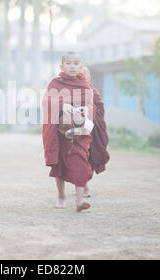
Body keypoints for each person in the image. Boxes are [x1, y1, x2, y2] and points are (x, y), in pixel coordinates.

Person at [42, 52, 95, 212]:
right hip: (59, 131)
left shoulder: (84, 85)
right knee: (59, 165)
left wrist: (84, 110)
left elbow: (92, 107)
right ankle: (61, 196)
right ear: (61, 66)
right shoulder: (55, 83)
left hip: (78, 131)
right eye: (68, 63)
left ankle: (79, 201)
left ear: (80, 66)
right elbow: (46, 101)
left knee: (80, 162)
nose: (72, 66)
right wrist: (62, 104)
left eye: (75, 63)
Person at [81, 66, 110, 198]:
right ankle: (83, 185)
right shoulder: (70, 92)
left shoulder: (93, 92)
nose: (82, 75)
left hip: (92, 130)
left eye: (85, 73)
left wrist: (90, 118)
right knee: (78, 158)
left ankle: (83, 183)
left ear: (89, 77)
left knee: (89, 157)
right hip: (76, 131)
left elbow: (100, 108)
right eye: (80, 73)